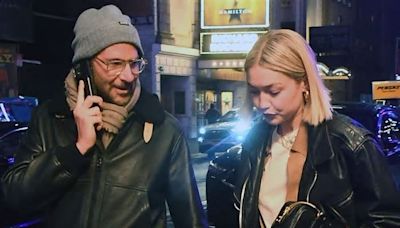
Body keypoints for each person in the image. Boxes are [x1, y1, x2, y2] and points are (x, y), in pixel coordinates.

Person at [1, 5, 207, 228]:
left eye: (134, 64)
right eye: (115, 64)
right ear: (84, 69)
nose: (128, 76)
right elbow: (14, 197)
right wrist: (76, 150)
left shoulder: (164, 130)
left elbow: (191, 220)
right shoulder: (50, 119)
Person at [234, 29, 400, 227]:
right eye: (254, 91)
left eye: (273, 91)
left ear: (304, 82)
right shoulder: (254, 140)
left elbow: (386, 221)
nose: (262, 103)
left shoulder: (351, 144)